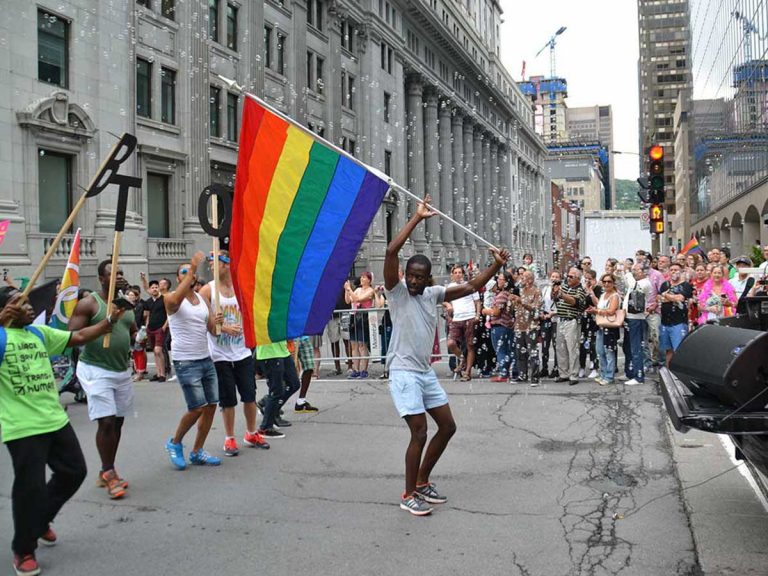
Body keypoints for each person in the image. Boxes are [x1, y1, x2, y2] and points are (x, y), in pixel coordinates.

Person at [383, 195, 509, 516]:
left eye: (418, 277)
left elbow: (471, 287)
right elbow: (390, 252)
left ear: (428, 279)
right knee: (419, 431)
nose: (412, 280)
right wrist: (416, 218)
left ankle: (423, 482)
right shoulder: (396, 294)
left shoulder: (432, 294)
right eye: (409, 274)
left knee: (448, 427)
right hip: (403, 373)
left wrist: (496, 264)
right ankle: (409, 493)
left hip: (423, 373)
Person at [0, 286, 126, 576]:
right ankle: (24, 549)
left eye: (28, 302)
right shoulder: (2, 338)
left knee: (74, 472)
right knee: (28, 488)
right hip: (22, 426)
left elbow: (78, 337)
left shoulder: (38, 334)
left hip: (55, 419)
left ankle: (40, 520)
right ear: (7, 310)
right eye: (20, 303)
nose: (30, 308)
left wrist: (109, 322)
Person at [68, 260, 137, 499]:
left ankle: (106, 468)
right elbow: (72, 336)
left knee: (117, 422)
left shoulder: (126, 304)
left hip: (120, 370)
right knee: (106, 422)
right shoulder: (89, 304)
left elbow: (131, 330)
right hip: (95, 370)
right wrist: (104, 324)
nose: (118, 276)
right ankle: (109, 474)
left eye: (120, 271)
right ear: (101, 278)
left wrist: (138, 338)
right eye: (112, 273)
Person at [199, 250, 269, 456]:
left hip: (242, 351)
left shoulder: (240, 287)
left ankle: (251, 432)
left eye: (215, 261)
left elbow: (251, 312)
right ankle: (229, 438)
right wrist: (218, 324)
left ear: (227, 263)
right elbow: (202, 320)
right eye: (210, 262)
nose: (211, 265)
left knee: (249, 395)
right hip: (219, 354)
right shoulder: (207, 290)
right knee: (227, 399)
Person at [164, 252, 224, 469]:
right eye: (183, 272)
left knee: (210, 406)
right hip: (185, 361)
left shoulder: (200, 299)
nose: (189, 274)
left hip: (205, 358)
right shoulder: (171, 298)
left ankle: (197, 451)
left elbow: (213, 331)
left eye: (189, 272)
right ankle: (175, 442)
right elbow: (173, 303)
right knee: (196, 407)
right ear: (179, 279)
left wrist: (217, 323)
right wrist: (192, 268)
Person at [256, 338, 301, 439]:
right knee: (276, 390)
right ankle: (265, 427)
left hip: (283, 351)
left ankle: (268, 407)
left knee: (294, 384)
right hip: (269, 353)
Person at [444, 265, 481, 382]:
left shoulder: (469, 285)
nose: (458, 274)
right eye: (456, 272)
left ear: (463, 274)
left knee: (470, 345)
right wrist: (448, 305)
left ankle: (467, 372)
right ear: (452, 275)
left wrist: (477, 315)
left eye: (460, 272)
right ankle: (462, 359)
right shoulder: (450, 287)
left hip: (469, 317)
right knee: (451, 343)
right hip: (456, 318)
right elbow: (443, 298)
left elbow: (477, 301)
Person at [553, 267, 587, 385]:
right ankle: (563, 373)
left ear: (578, 278)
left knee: (572, 349)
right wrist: (555, 293)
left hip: (572, 321)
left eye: (571, 276)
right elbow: (556, 299)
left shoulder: (580, 290)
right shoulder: (565, 287)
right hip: (561, 319)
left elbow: (575, 302)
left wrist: (562, 295)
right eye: (568, 276)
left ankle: (573, 375)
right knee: (560, 348)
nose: (568, 278)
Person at [586, 273, 621, 386]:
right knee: (600, 351)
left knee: (609, 352)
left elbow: (611, 311)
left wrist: (596, 311)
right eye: (604, 281)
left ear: (613, 283)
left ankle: (609, 376)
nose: (606, 284)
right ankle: (604, 373)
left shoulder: (614, 295)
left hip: (610, 327)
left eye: (609, 281)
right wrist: (591, 296)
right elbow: (599, 305)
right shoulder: (603, 294)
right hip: (601, 326)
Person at [510, 270, 542, 386]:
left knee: (532, 352)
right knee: (520, 353)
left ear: (530, 280)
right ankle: (522, 375)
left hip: (531, 326)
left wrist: (522, 302)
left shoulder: (537, 292)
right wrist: (513, 302)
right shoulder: (521, 291)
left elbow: (536, 309)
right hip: (519, 326)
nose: (521, 280)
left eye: (523, 278)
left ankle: (534, 377)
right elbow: (516, 309)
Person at [622, 262, 652, 386]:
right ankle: (631, 372)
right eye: (633, 270)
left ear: (643, 272)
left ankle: (639, 376)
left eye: (636, 270)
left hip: (637, 318)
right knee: (627, 347)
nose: (634, 272)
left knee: (636, 347)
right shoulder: (635, 281)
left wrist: (628, 271)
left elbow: (633, 287)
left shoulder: (645, 283)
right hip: (629, 317)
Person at [658, 262, 693, 367]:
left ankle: (679, 374)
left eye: (676, 270)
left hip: (679, 322)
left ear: (681, 272)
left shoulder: (686, 285)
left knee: (678, 350)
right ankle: (669, 373)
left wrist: (666, 296)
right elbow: (659, 299)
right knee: (668, 350)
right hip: (665, 322)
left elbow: (680, 298)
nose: (673, 272)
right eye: (671, 270)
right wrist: (671, 297)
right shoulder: (665, 285)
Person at [482, 272, 515, 382]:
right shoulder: (508, 294)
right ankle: (509, 372)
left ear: (506, 282)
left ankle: (503, 373)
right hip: (506, 325)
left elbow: (496, 312)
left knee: (500, 350)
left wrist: (485, 310)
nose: (498, 281)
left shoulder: (502, 295)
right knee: (507, 350)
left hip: (499, 326)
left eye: (501, 279)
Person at [344, 272, 376, 379]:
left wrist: (349, 290)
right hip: (354, 317)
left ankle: (364, 370)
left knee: (362, 345)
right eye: (361, 277)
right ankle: (356, 369)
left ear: (369, 280)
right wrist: (346, 290)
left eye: (364, 277)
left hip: (364, 317)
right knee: (354, 345)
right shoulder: (357, 289)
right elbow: (349, 300)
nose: (362, 279)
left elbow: (358, 299)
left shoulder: (370, 291)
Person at [142, 279, 167, 382]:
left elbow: (169, 314)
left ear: (159, 288)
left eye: (156, 287)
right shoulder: (148, 302)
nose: (154, 289)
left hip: (160, 328)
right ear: (150, 290)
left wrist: (164, 326)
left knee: (158, 350)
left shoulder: (164, 299)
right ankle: (158, 373)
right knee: (154, 352)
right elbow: (147, 315)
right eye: (152, 287)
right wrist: (146, 327)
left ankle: (163, 374)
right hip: (150, 329)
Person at [324, 287, 353, 376]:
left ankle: (350, 366)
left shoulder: (343, 280)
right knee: (334, 341)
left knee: (346, 340)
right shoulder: (327, 282)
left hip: (344, 313)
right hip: (332, 315)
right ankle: (337, 366)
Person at [579, 269, 600, 379]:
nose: (587, 281)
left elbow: (598, 304)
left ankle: (595, 367)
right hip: (584, 319)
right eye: (586, 279)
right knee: (582, 344)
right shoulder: (583, 289)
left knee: (592, 344)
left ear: (594, 279)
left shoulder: (598, 289)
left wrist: (591, 292)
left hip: (594, 320)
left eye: (590, 279)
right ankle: (582, 367)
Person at [539, 271, 560, 379]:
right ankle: (544, 367)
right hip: (546, 318)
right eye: (552, 276)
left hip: (556, 318)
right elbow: (542, 302)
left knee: (556, 345)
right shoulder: (545, 289)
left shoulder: (561, 290)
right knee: (545, 345)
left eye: (556, 277)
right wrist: (542, 313)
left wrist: (553, 314)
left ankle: (556, 368)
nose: (554, 278)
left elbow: (560, 305)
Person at [294, 335, 320, 413]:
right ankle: (273, 402)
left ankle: (301, 401)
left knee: (309, 368)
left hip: (304, 338)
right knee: (287, 374)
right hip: (290, 339)